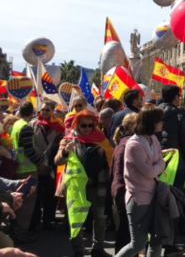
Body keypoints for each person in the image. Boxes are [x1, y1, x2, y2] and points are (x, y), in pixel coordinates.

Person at [54, 110, 113, 257]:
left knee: (99, 218)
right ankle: (78, 251)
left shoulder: (101, 138)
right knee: (76, 219)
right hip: (76, 188)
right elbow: (57, 161)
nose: (87, 128)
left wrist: (104, 152)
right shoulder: (68, 139)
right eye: (83, 125)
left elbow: (112, 158)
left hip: (97, 185)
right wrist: (65, 153)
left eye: (90, 125)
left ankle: (97, 248)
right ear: (76, 125)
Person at [115, 106, 166, 257]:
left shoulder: (154, 139)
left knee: (156, 241)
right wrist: (161, 164)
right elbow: (149, 171)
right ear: (151, 122)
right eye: (160, 120)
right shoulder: (133, 144)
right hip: (138, 199)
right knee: (137, 244)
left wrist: (158, 165)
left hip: (155, 196)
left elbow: (155, 166)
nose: (163, 123)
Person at [158, 85, 185, 253]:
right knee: (178, 199)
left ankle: (161, 237)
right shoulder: (180, 115)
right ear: (175, 97)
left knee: (160, 201)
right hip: (177, 165)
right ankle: (174, 237)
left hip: (158, 164)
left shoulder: (154, 112)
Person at [9, 102, 45, 244]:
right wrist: (40, 163)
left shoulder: (15, 126)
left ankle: (14, 231)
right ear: (32, 112)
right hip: (27, 171)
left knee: (17, 202)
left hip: (16, 169)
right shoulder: (26, 127)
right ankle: (21, 233)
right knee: (26, 204)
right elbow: (29, 150)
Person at [30, 101, 64, 231]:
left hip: (52, 165)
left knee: (50, 194)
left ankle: (48, 220)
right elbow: (31, 143)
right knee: (36, 194)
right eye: (42, 110)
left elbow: (61, 143)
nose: (44, 112)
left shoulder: (58, 126)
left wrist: (50, 158)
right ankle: (35, 219)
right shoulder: (33, 124)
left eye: (47, 110)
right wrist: (42, 156)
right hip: (37, 163)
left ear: (52, 111)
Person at [110, 113, 137, 254]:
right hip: (126, 191)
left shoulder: (123, 141)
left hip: (120, 189)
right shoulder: (130, 143)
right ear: (131, 126)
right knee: (127, 233)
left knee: (124, 230)